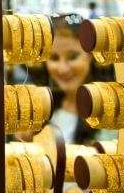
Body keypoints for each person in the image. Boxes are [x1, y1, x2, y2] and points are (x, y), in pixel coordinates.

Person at [45, 13, 113, 144]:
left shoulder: (109, 108)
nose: (62, 68)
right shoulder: (45, 106)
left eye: (72, 57)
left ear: (90, 55)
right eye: (54, 58)